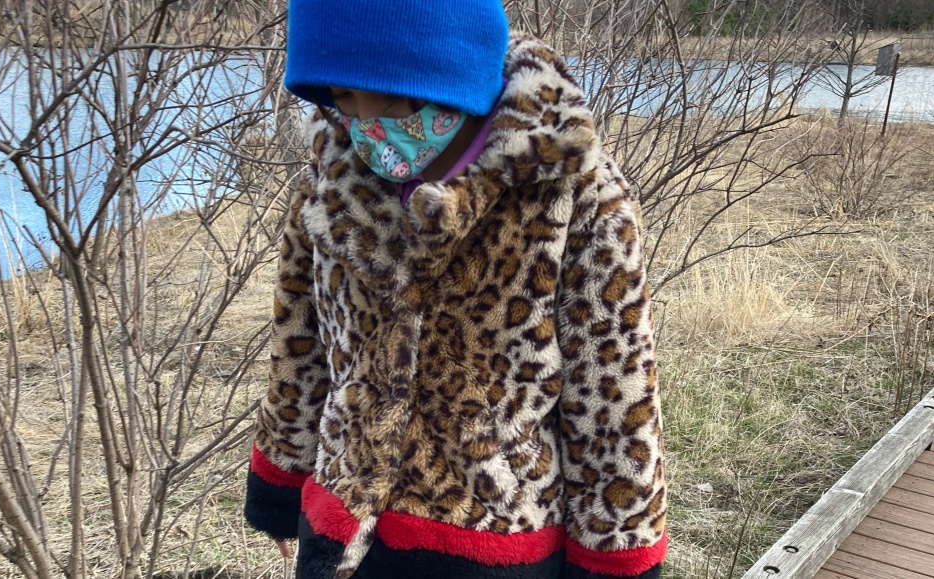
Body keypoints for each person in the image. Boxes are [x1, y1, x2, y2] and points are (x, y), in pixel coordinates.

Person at [244, 1, 667, 578]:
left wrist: (618, 556)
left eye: (392, 98)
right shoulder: (329, 177)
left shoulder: (572, 193)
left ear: (455, 71)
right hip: (343, 537)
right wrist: (281, 481)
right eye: (343, 98)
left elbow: (615, 395)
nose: (367, 123)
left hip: (496, 547)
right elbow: (299, 344)